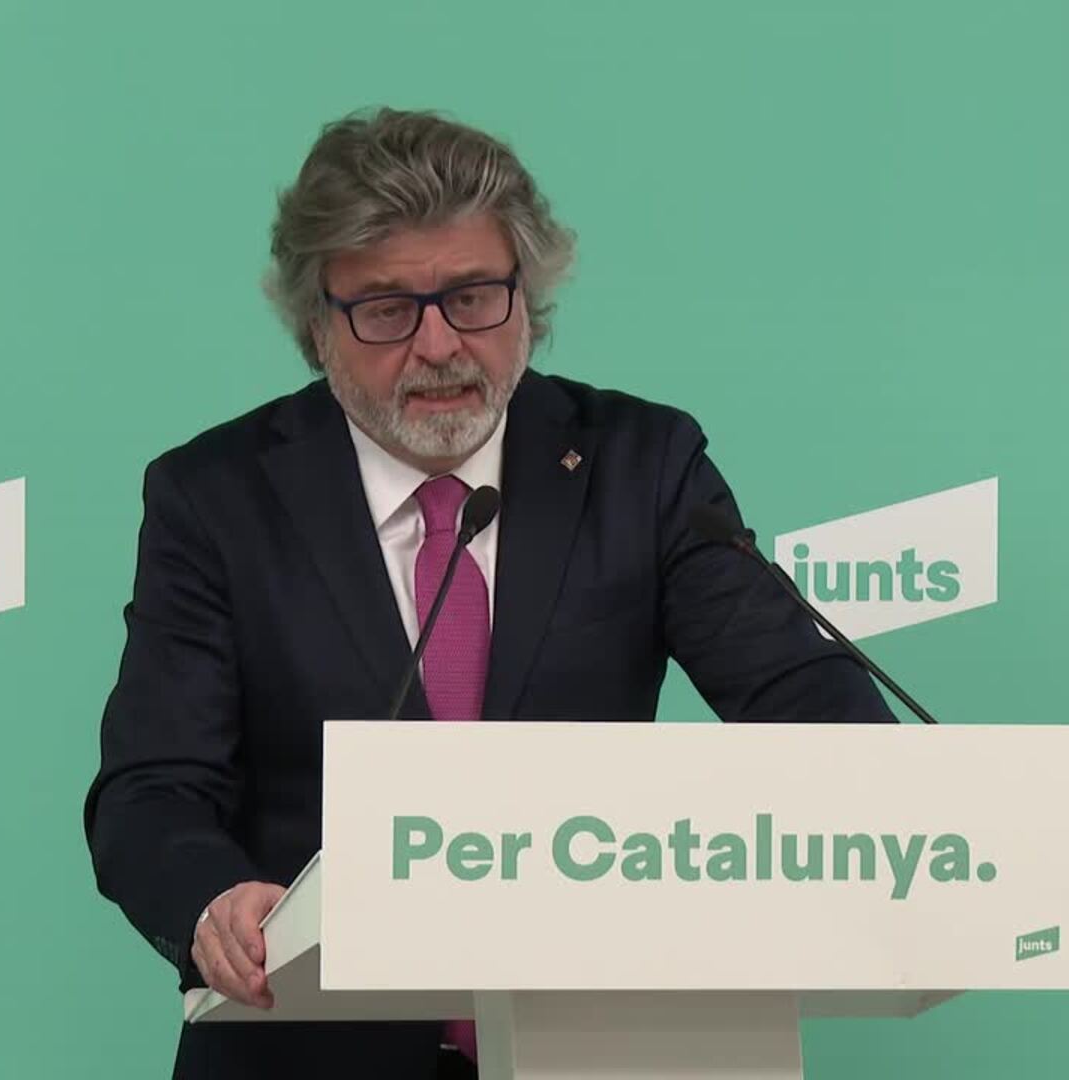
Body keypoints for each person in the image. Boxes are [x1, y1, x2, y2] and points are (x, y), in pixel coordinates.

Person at [83, 106, 895, 1080]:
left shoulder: (641, 466)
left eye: (472, 297)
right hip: (308, 1054)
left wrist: (898, 806)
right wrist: (213, 902)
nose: (439, 346)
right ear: (318, 324)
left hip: (596, 1048)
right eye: (387, 310)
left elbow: (800, 695)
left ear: (527, 298)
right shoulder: (217, 498)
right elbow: (153, 790)